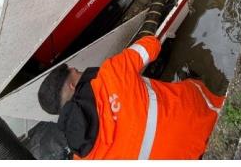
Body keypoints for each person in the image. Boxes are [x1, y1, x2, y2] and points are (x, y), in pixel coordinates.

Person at [37, 34, 223, 159]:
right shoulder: (112, 71)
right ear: (72, 85)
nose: (80, 71)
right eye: (76, 71)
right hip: (200, 126)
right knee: (194, 88)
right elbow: (151, 45)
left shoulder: (81, 157)